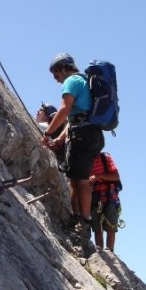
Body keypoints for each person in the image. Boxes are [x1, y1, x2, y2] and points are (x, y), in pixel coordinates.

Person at [41, 52, 104, 242]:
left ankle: (83, 222)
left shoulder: (72, 81)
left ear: (62, 68)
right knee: (75, 178)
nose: (56, 79)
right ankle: (79, 218)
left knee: (80, 180)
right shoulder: (85, 82)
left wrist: (48, 132)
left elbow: (64, 109)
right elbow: (73, 118)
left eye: (56, 74)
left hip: (82, 135)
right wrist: (59, 139)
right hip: (91, 134)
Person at [89, 152, 122, 252]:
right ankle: (100, 252)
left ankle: (110, 252)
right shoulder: (86, 160)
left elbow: (116, 176)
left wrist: (99, 176)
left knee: (111, 227)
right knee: (97, 227)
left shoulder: (105, 157)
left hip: (110, 197)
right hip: (94, 197)